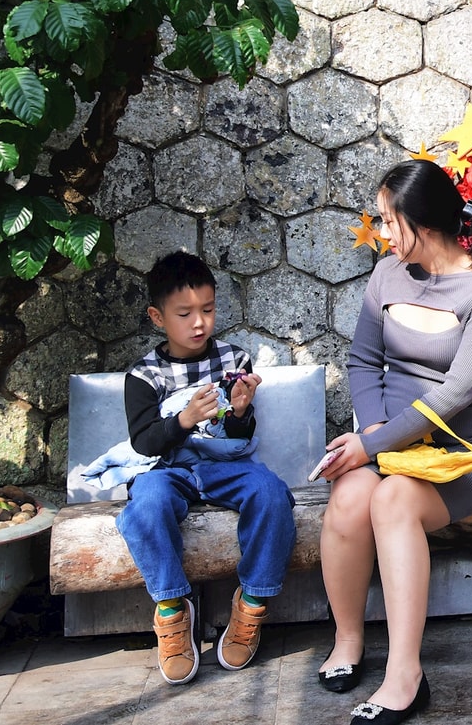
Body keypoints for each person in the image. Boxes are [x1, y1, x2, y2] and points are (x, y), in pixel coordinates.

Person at [314, 160, 472, 724]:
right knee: (349, 498)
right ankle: (348, 641)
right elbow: (362, 361)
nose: (382, 232)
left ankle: (405, 677)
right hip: (388, 443)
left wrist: (375, 448)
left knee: (392, 498)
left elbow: (455, 395)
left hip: (462, 454)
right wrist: (373, 436)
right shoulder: (387, 274)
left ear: (422, 223)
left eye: (387, 220)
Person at [116, 251, 295, 686]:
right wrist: (183, 420)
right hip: (168, 469)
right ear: (157, 317)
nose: (199, 323)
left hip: (223, 466)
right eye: (185, 314)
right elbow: (143, 442)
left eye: (208, 310)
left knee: (271, 493)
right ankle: (171, 609)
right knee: (145, 505)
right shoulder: (144, 375)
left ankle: (252, 604)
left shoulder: (234, 360)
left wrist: (240, 412)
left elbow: (238, 437)